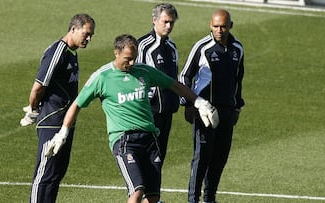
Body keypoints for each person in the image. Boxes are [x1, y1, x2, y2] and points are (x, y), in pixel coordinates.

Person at [45, 34, 218, 203]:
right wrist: (63, 132)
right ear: (116, 53)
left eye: (134, 58)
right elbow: (77, 104)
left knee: (152, 198)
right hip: (124, 141)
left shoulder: (144, 72)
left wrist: (199, 102)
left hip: (150, 140)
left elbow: (174, 84)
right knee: (137, 191)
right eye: (128, 58)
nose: (132, 63)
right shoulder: (102, 77)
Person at [19, 13, 95, 203]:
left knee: (55, 174)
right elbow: (38, 87)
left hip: (64, 123)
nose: (89, 38)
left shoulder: (71, 52)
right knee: (44, 175)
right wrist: (33, 109)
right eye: (86, 34)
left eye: (91, 35)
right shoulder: (58, 52)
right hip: (51, 122)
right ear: (73, 29)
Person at [179, 9, 245, 203]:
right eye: (215, 26)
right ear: (210, 25)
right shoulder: (202, 47)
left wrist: (237, 107)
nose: (219, 30)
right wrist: (189, 104)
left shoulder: (237, 49)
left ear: (230, 26)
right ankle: (193, 199)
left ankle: (209, 198)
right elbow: (185, 75)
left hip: (227, 111)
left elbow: (238, 79)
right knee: (202, 157)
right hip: (205, 111)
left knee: (220, 157)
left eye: (223, 26)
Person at [136, 3, 179, 166]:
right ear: (154, 20)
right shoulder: (143, 46)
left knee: (159, 157)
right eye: (165, 22)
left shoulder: (172, 47)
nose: (168, 26)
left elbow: (175, 78)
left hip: (167, 111)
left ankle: (153, 192)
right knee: (145, 156)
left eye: (171, 22)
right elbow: (136, 77)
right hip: (149, 111)